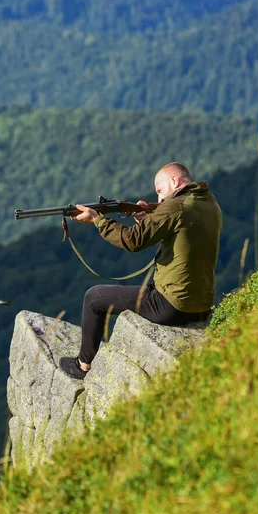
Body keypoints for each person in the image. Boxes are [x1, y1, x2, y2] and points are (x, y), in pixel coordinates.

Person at [59, 162, 222, 380]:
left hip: (171, 305)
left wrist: (98, 220)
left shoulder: (174, 207)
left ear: (175, 181)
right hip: (201, 305)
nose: (160, 198)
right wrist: (150, 219)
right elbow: (182, 231)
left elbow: (132, 241)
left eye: (160, 190)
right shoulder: (209, 202)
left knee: (94, 297)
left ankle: (83, 365)